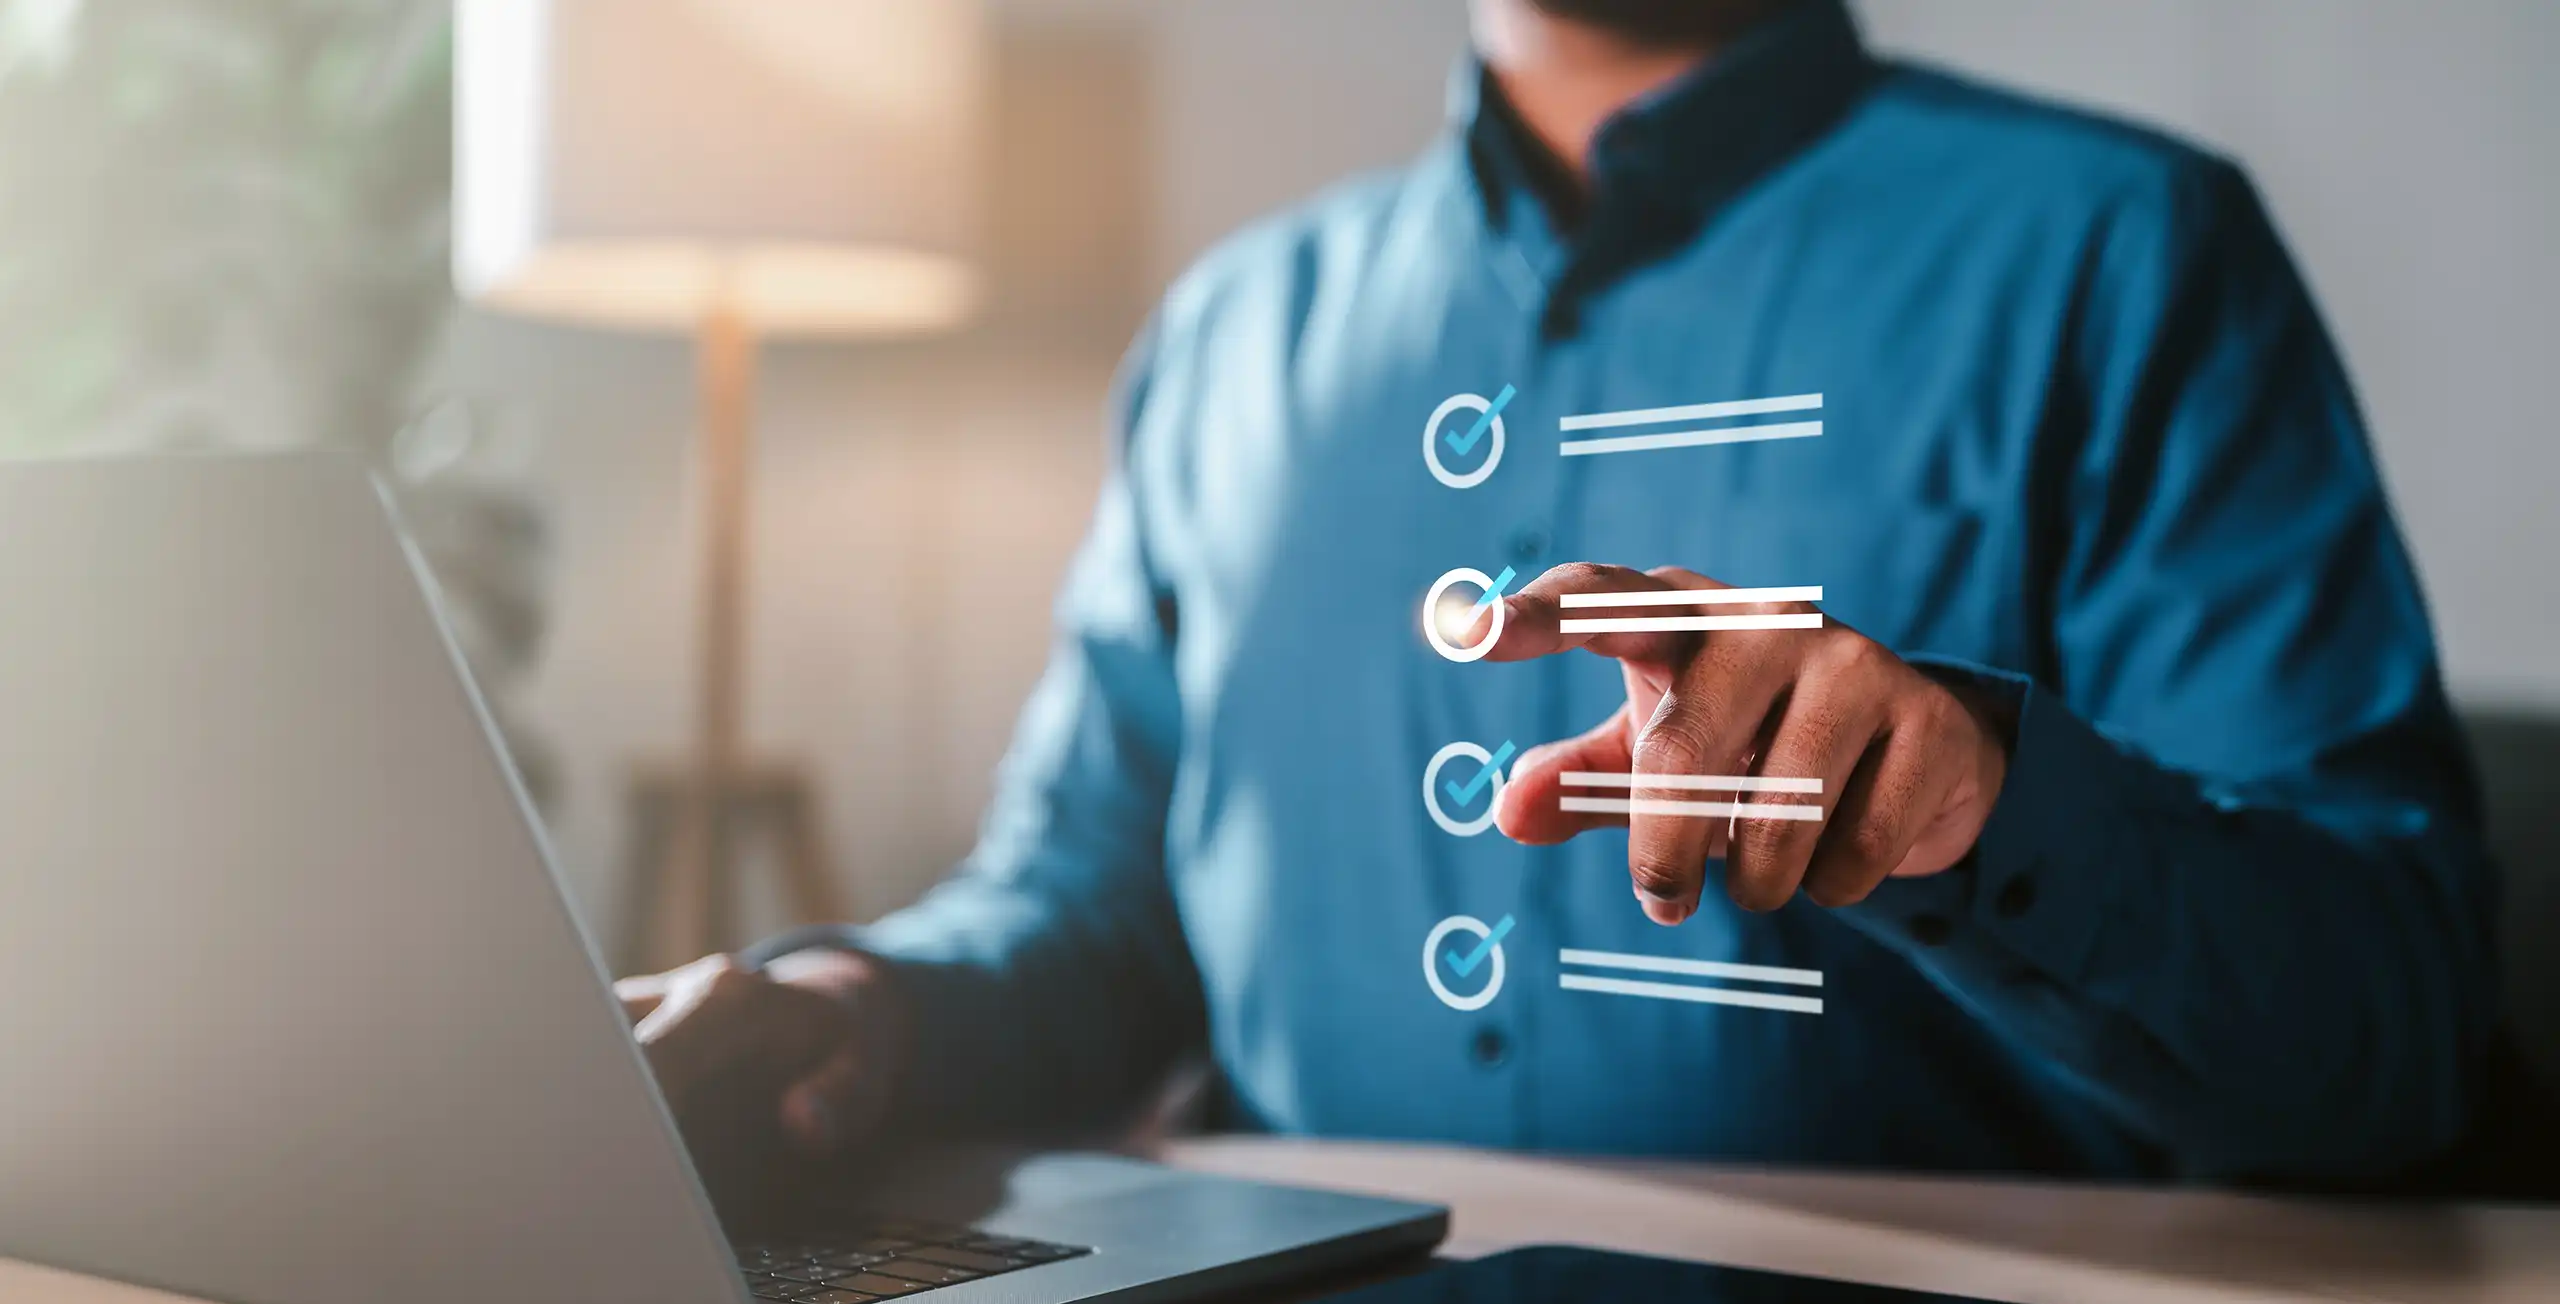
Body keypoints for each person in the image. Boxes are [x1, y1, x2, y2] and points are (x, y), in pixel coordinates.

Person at [619, 0, 2493, 1188]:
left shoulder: (2124, 254)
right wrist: (852, 1005)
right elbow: (1093, 918)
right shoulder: (1231, 334)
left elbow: (2392, 1042)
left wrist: (1984, 801)